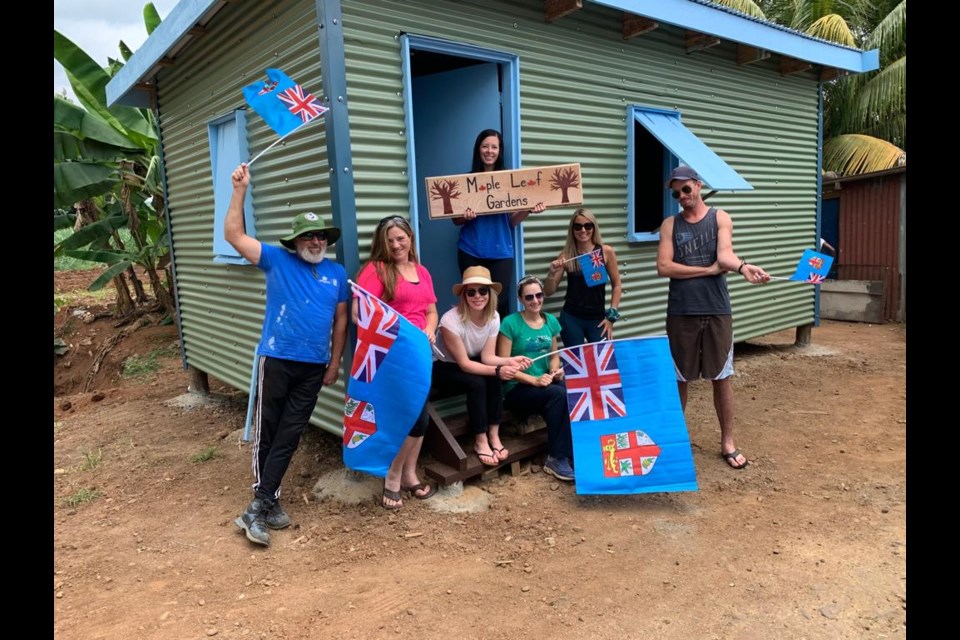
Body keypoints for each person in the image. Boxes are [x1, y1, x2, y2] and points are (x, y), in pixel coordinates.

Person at [225, 163, 348, 547]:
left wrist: (334, 363)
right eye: (307, 236)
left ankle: (264, 503)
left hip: (313, 366)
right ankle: (264, 504)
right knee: (269, 430)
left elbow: (341, 322)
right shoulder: (276, 260)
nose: (315, 241)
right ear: (294, 240)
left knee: (291, 434)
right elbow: (233, 234)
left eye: (319, 236)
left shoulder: (337, 273)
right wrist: (239, 190)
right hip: (276, 359)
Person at [656, 165, 770, 471]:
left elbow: (725, 256)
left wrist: (744, 267)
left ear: (698, 185)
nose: (681, 196)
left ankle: (728, 442)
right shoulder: (670, 225)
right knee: (680, 378)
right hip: (681, 311)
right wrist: (705, 271)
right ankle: (676, 440)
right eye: (676, 192)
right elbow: (664, 267)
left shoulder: (720, 217)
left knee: (722, 377)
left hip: (717, 309)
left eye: (686, 189)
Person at [355, 215, 439, 509]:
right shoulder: (376, 270)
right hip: (393, 356)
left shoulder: (422, 271)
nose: (396, 245)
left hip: (421, 353)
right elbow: (359, 313)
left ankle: (408, 473)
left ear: (410, 239)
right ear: (382, 244)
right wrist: (395, 331)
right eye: (389, 240)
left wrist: (429, 329)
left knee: (421, 416)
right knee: (408, 416)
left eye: (401, 238)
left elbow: (431, 311)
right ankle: (392, 475)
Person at [433, 266, 532, 467]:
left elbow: (487, 357)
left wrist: (510, 361)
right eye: (471, 292)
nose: (477, 296)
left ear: (490, 293)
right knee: (479, 382)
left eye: (483, 291)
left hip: (471, 362)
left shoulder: (493, 316)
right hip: (443, 367)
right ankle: (480, 439)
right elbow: (464, 364)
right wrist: (498, 370)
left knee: (493, 377)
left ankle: (494, 435)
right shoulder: (449, 321)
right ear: (464, 295)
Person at [453, 129, 546, 320]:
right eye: (485, 146)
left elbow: (510, 222)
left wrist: (528, 209)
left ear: (499, 151)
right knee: (473, 301)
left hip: (501, 251)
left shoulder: (508, 182)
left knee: (499, 304)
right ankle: (473, 348)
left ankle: (496, 349)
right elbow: (456, 220)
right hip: (470, 250)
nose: (489, 151)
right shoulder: (466, 182)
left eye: (494, 147)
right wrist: (467, 216)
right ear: (478, 149)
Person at [496, 275, 575, 482]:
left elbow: (554, 354)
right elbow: (504, 363)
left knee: (574, 388)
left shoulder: (550, 321)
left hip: (544, 383)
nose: (535, 301)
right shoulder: (510, 323)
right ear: (521, 299)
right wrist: (535, 381)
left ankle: (575, 450)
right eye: (529, 297)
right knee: (558, 395)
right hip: (517, 387)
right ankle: (556, 457)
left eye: (539, 295)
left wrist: (554, 371)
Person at [545, 208, 623, 346]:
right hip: (572, 318)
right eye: (578, 226)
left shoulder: (606, 252)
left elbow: (617, 285)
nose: (583, 230)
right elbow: (548, 291)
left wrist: (611, 316)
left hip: (597, 318)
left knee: (603, 363)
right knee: (575, 363)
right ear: (572, 230)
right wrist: (551, 273)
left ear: (594, 227)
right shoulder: (566, 256)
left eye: (588, 225)